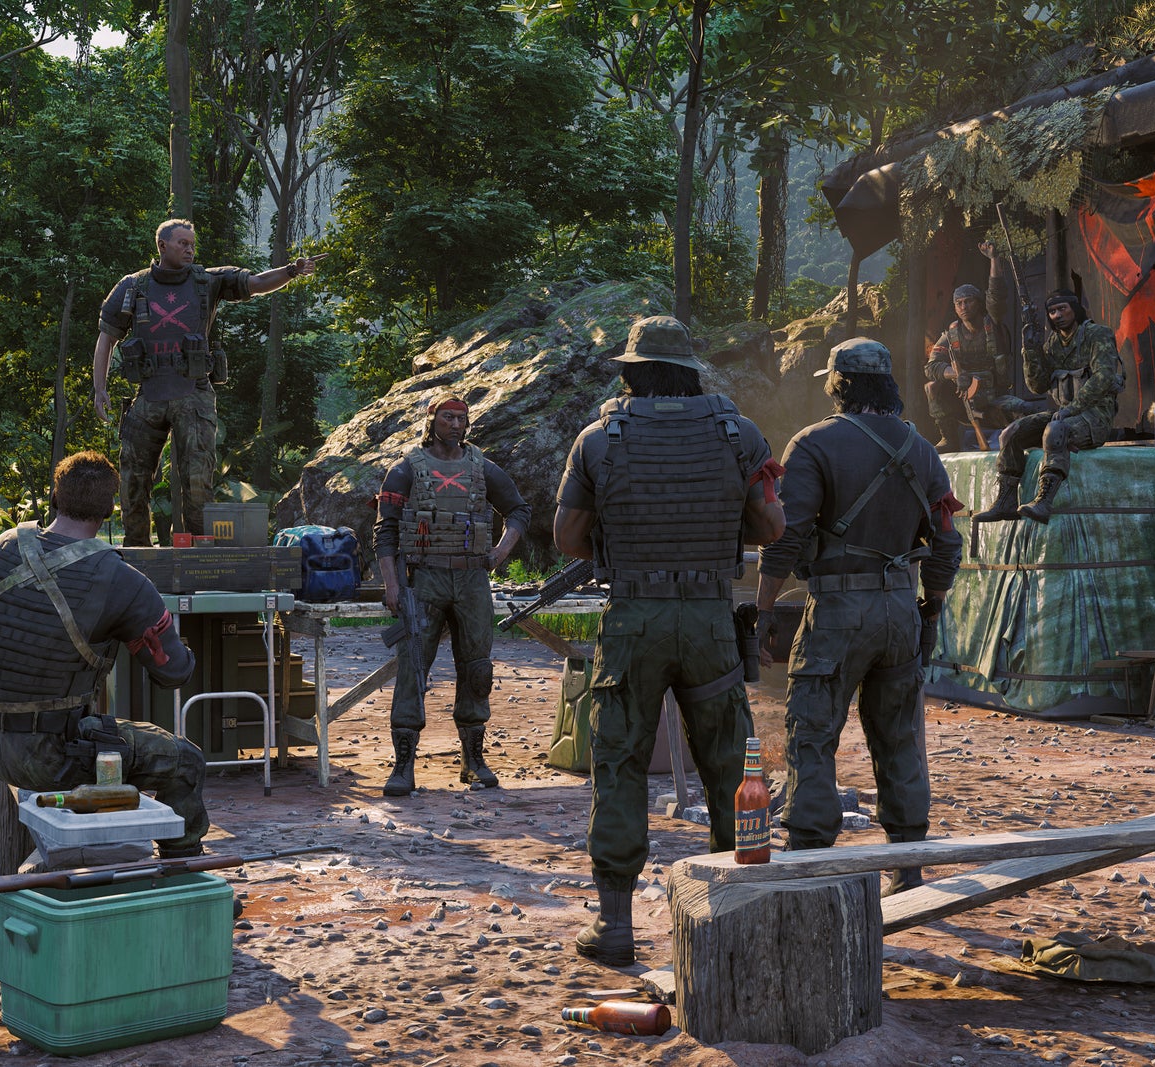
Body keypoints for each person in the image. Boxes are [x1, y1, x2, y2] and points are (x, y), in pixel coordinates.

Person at [553, 316, 786, 966]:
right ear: (689, 371)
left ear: (632, 371)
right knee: (731, 765)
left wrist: (625, 543)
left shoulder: (599, 438)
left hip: (633, 620)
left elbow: (568, 536)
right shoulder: (739, 433)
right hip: (709, 618)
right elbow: (772, 526)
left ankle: (615, 924)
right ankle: (736, 917)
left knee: (620, 763)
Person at [754, 337, 962, 895]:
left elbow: (786, 536)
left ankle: (809, 864)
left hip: (838, 611)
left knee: (812, 730)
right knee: (899, 735)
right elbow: (946, 543)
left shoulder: (814, 443)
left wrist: (765, 609)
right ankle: (908, 867)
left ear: (837, 384)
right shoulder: (922, 449)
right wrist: (931, 610)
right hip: (901, 608)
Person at [0, 451, 208, 859]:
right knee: (185, 761)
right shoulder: (121, 579)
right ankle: (182, 872)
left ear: (55, 497)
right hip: (57, 757)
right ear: (109, 511)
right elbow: (174, 673)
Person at [91, 219, 323, 546]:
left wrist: (291, 271)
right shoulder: (133, 286)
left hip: (194, 394)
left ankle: (201, 556)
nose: (190, 249)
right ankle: (137, 554)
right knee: (132, 480)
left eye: (192, 244)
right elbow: (106, 338)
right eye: (182, 243)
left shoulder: (208, 281)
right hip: (149, 394)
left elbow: (257, 283)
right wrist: (99, 388)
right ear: (162, 246)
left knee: (198, 481)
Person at [373, 396, 532, 797]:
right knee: (412, 668)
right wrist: (392, 585)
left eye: (462, 418)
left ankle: (473, 761)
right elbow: (385, 531)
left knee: (478, 669)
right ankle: (403, 766)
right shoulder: (405, 469)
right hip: (424, 579)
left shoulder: (482, 467)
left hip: (472, 579)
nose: (456, 424)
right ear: (432, 421)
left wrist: (500, 552)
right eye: (448, 417)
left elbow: (518, 510)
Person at [973, 288, 1124, 524]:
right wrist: (1030, 350)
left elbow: (1103, 378)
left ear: (1075, 309)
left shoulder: (1097, 335)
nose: (1057, 315)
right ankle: (1005, 503)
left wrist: (1070, 410)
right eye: (1052, 311)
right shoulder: (1053, 344)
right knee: (1010, 433)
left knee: (1055, 431)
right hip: (1064, 415)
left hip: (1095, 417)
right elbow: (1037, 385)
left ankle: (1044, 502)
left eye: (1062, 308)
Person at [924, 243, 1016, 451]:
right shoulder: (950, 335)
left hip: (996, 399)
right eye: (959, 303)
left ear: (979, 303)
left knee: (1025, 411)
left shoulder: (992, 324)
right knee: (931, 387)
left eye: (968, 301)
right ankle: (948, 438)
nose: (964, 307)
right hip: (965, 402)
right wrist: (955, 374)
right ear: (955, 308)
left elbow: (997, 295)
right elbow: (931, 367)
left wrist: (994, 259)